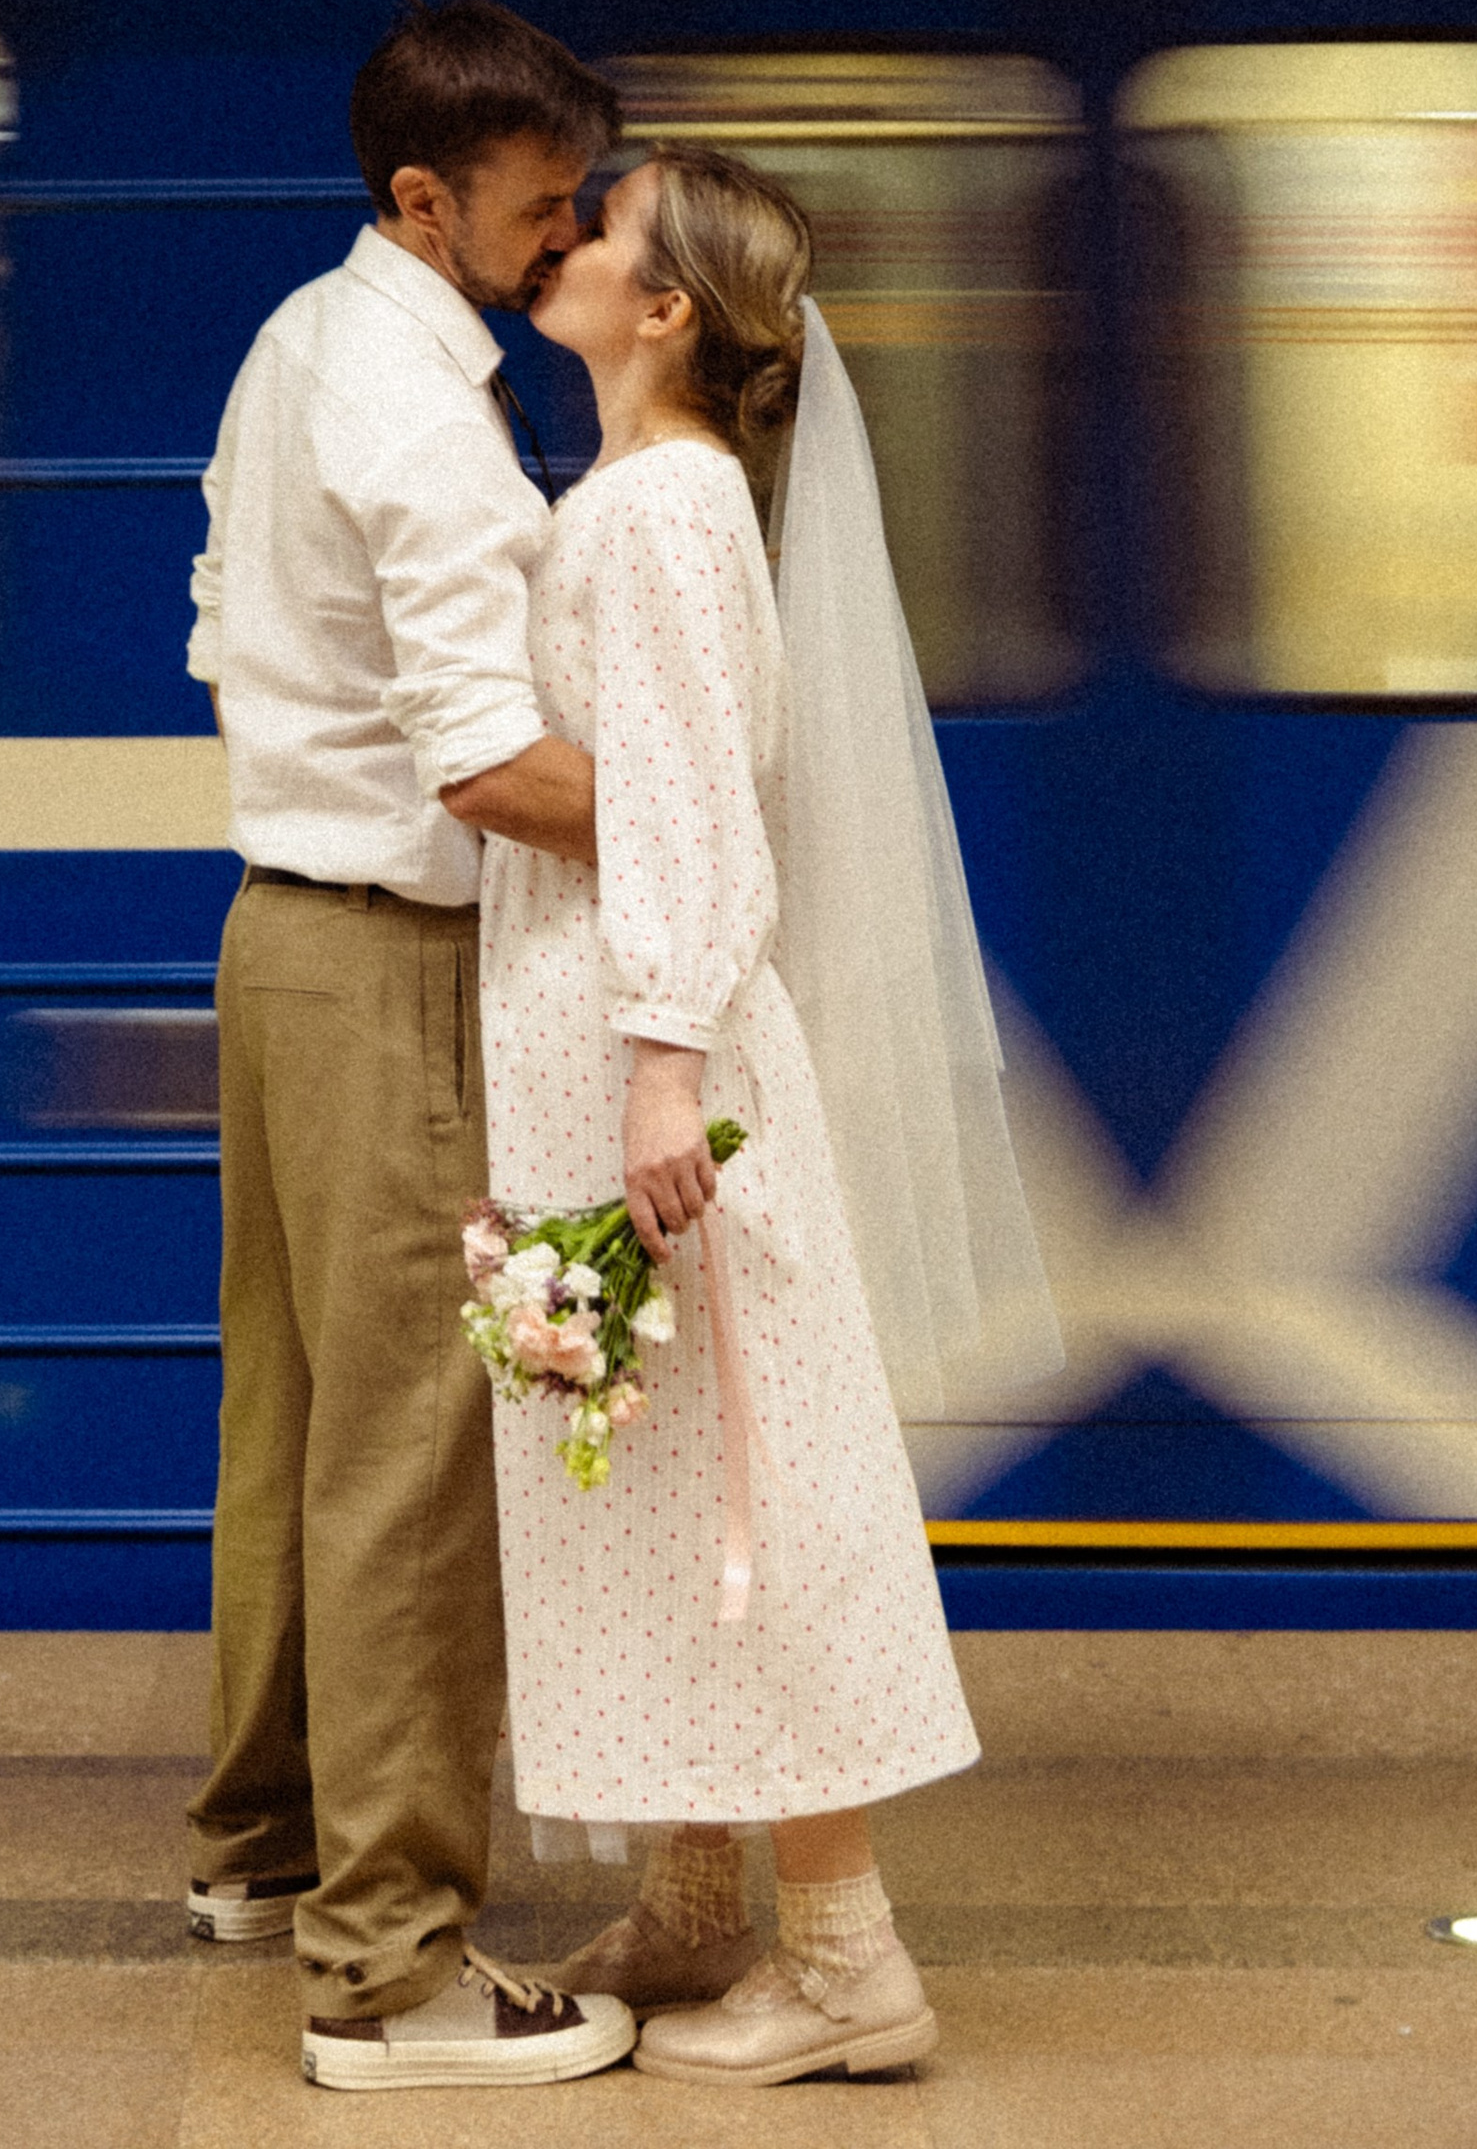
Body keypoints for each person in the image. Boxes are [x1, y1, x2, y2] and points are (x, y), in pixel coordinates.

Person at [477, 141, 1056, 2088]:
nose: (558, 239)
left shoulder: (656, 510)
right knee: (659, 1494)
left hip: (666, 1068)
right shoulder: (657, 495)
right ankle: (698, 1903)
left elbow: (688, 805)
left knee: (752, 1493)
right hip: (627, 1049)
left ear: (661, 314)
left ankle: (847, 1961)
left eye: (601, 229)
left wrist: (658, 1051)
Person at [183, 0, 640, 2092]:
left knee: (290, 1435)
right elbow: (477, 760)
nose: (565, 255)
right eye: (542, 218)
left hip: (280, 938)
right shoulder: (418, 407)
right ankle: (388, 1973)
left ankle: (264, 1854)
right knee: (410, 1472)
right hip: (382, 967)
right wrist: (705, 833)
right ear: (424, 199)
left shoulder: (302, 342)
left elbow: (223, 619)